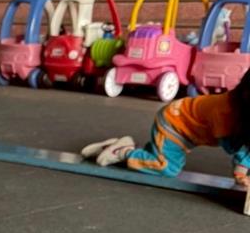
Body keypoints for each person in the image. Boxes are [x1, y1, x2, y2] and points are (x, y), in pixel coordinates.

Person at [82, 71, 250, 192]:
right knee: (167, 167)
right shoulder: (224, 112)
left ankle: (139, 151)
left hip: (183, 123)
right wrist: (241, 174)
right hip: (174, 124)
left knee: (160, 158)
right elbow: (236, 147)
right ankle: (122, 152)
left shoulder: (240, 106)